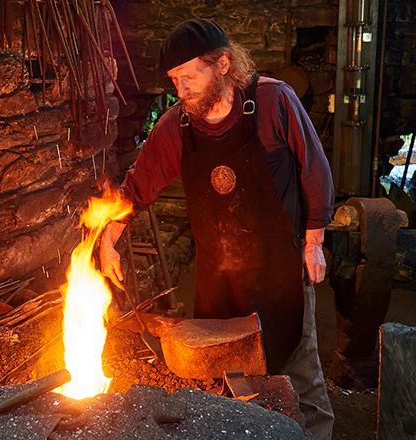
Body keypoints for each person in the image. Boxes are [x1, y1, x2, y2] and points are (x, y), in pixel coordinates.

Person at [99, 18, 335, 439]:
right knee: (223, 382)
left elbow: (315, 171)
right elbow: (138, 186)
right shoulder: (178, 125)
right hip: (218, 279)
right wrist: (108, 239)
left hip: (279, 271)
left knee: (300, 377)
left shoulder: (271, 101)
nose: (181, 88)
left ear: (223, 64)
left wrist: (314, 241)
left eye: (189, 76)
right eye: (175, 79)